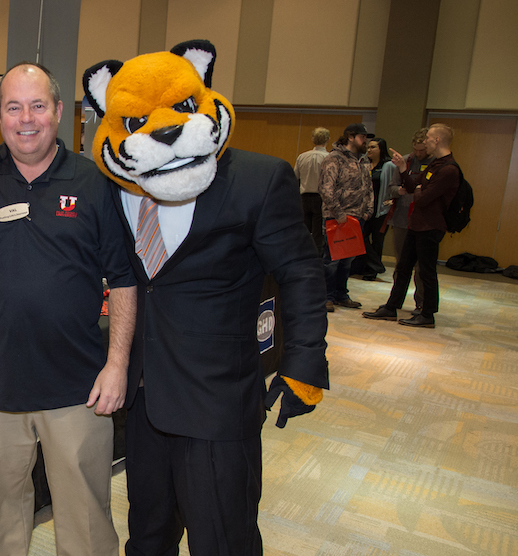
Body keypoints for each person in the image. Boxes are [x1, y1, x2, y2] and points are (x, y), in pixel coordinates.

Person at [82, 40, 329, 556]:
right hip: (143, 399)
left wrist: (303, 363)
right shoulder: (114, 184)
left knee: (223, 537)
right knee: (148, 535)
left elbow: (301, 272)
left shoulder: (258, 180)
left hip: (217, 403)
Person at [0, 62, 136, 556]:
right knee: (2, 525)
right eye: (13, 107)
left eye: (37, 105)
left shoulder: (93, 182)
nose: (26, 118)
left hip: (77, 391)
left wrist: (117, 364)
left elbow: (124, 280)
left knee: (85, 527)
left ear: (59, 112)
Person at [362, 123, 460, 328]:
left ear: (437, 140)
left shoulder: (448, 168)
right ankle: (391, 307)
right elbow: (413, 186)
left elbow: (422, 198)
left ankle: (427, 314)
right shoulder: (435, 166)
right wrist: (405, 171)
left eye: (429, 138)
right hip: (416, 224)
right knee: (403, 267)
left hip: (431, 226)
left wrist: (416, 188)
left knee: (426, 271)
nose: (425, 141)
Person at [318, 123, 374, 312]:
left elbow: (368, 186)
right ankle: (326, 296)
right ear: (350, 137)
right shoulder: (335, 158)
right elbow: (326, 188)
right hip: (337, 217)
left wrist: (368, 209)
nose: (365, 140)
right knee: (332, 259)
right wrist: (339, 213)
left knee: (347, 260)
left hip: (357, 217)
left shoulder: (364, 160)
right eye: (362, 137)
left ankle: (341, 294)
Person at [385, 128, 432, 312]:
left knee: (421, 267)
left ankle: (421, 302)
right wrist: (399, 191)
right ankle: (395, 301)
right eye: (416, 149)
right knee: (401, 264)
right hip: (402, 218)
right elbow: (391, 188)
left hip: (423, 220)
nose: (418, 153)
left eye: (422, 150)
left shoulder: (436, 164)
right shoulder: (405, 161)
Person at [352, 137, 398, 280]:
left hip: (381, 209)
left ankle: (372, 271)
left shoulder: (389, 166)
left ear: (381, 149)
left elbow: (395, 185)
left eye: (373, 147)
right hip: (364, 209)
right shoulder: (364, 164)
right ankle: (371, 265)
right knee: (360, 237)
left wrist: (392, 200)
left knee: (377, 240)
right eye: (369, 147)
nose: (369, 150)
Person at [294, 127, 330, 256]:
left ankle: (302, 255)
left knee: (304, 230)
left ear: (312, 139)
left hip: (304, 197)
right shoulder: (329, 158)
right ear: (328, 139)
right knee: (318, 232)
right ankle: (316, 258)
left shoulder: (302, 157)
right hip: (321, 198)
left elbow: (295, 177)